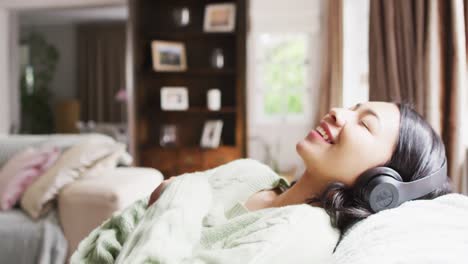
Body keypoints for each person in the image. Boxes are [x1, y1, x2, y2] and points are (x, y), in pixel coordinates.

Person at [71, 101, 451, 264]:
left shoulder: (300, 233)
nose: (338, 112)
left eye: (364, 123)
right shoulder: (250, 172)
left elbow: (161, 205)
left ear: (382, 185)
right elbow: (124, 223)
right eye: (352, 105)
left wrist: (179, 194)